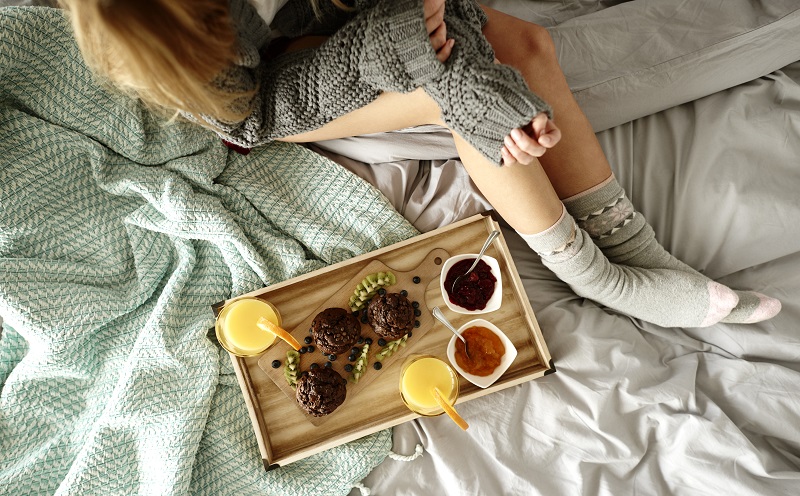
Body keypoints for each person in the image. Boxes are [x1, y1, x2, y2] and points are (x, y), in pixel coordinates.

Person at [59, 0, 780, 327]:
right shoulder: (159, 27)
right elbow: (255, 110)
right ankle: (600, 276)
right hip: (274, 92)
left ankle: (631, 241)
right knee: (445, 82)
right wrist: (405, 51)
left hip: (339, 12)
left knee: (528, 48)